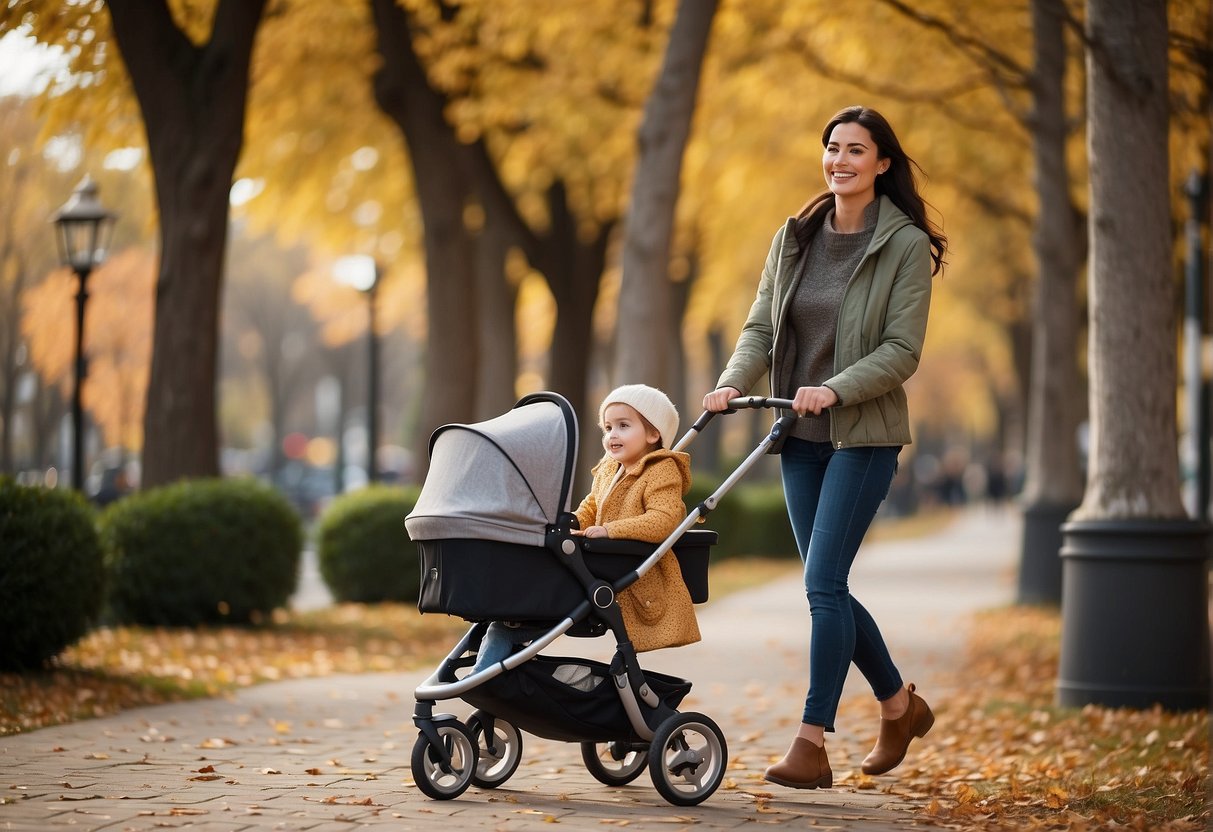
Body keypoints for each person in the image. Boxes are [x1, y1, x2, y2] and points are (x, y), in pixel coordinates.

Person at [703, 105, 948, 790]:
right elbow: (759, 328)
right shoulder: (795, 236)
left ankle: (810, 742)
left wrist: (835, 388)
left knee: (820, 585)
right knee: (828, 585)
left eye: (856, 150)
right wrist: (728, 385)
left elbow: (901, 350)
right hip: (798, 435)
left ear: (882, 164)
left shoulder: (901, 245)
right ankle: (899, 706)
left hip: (862, 435)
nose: (839, 160)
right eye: (832, 148)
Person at [473, 384, 700, 671]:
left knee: (506, 627)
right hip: (599, 565)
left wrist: (611, 530)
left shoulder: (661, 470)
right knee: (507, 619)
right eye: (607, 427)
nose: (612, 435)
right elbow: (591, 506)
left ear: (654, 434)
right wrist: (568, 523)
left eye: (623, 426)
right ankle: (499, 678)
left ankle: (488, 678)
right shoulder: (609, 468)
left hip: (631, 572)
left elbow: (663, 520)